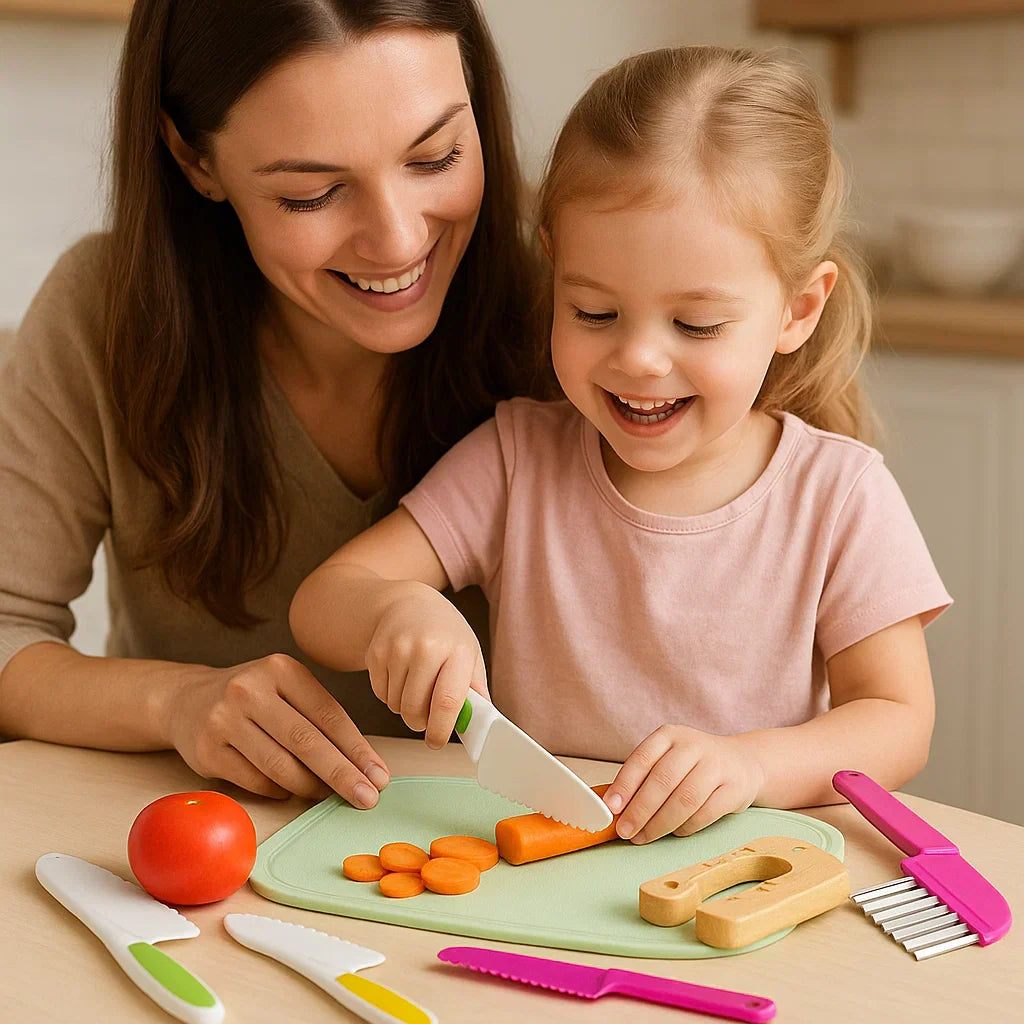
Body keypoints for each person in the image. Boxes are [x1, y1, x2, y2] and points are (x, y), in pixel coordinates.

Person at [289, 45, 952, 844]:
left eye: (696, 324)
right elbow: (325, 602)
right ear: (554, 273)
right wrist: (397, 608)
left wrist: (752, 767)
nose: (638, 358)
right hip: (536, 873)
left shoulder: (840, 495)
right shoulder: (515, 459)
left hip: (741, 884)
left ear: (797, 310)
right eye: (595, 312)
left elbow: (898, 722)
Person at [0, 0, 549, 809]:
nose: (398, 241)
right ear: (194, 158)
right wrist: (177, 701)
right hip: (194, 859)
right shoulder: (103, 315)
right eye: (315, 193)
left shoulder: (589, 301)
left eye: (436, 157)